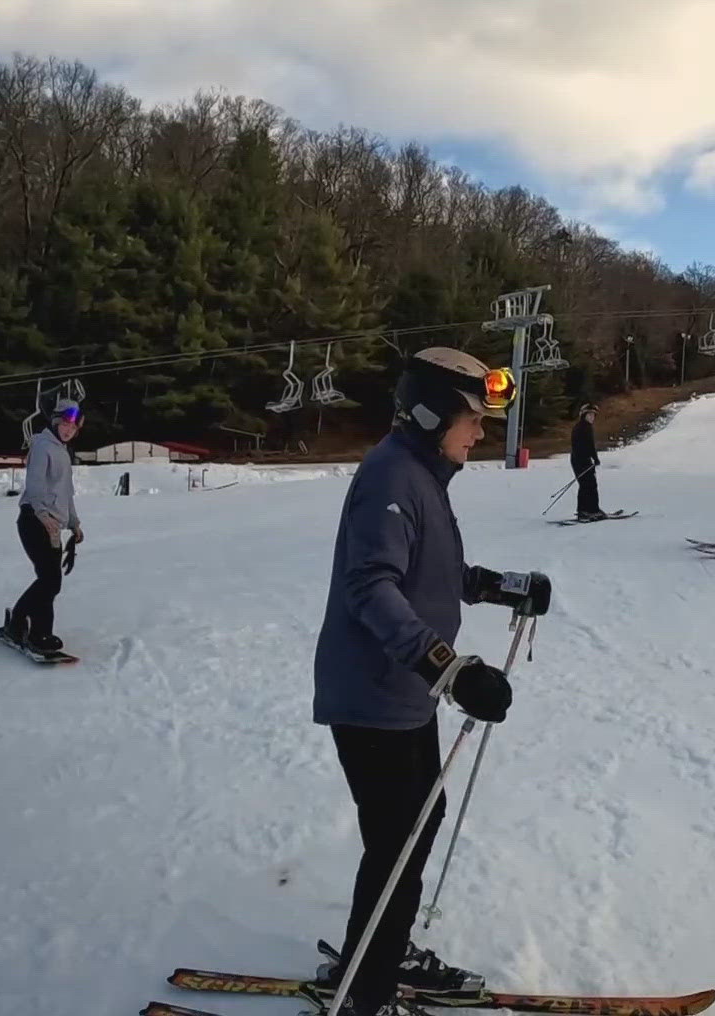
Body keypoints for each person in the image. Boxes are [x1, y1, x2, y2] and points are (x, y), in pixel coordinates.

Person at [310, 347, 553, 1016]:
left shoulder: (419, 475)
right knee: (397, 840)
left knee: (415, 825)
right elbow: (371, 586)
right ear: (428, 415)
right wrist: (448, 668)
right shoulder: (392, 476)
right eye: (472, 419)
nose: (479, 434)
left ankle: (382, 950)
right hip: (372, 694)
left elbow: (437, 573)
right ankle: (368, 989)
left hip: (403, 693)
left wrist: (504, 586)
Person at [0, 397, 85, 654]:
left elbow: (65, 492)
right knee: (50, 580)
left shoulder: (62, 451)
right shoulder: (42, 446)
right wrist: (42, 515)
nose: (69, 430)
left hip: (53, 524)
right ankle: (21, 625)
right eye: (65, 425)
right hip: (34, 520)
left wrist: (74, 523)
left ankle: (39, 631)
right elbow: (35, 483)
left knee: (50, 580)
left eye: (74, 427)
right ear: (56, 422)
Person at [569, 402, 602, 520]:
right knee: (589, 485)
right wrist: (595, 458)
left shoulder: (581, 426)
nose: (592, 417)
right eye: (590, 415)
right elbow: (589, 445)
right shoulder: (584, 427)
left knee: (587, 485)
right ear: (584, 415)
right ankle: (589, 510)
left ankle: (587, 509)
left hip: (580, 459)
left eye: (593, 415)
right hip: (581, 460)